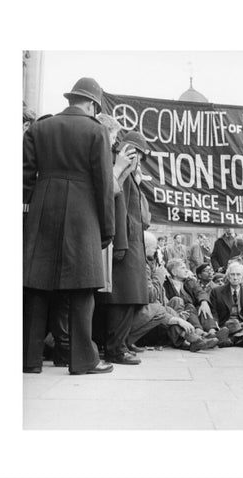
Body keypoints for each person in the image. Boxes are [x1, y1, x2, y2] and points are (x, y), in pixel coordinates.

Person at [23, 77, 114, 374]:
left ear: (71, 99)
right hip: (82, 214)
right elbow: (103, 184)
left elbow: (24, 179)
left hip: (42, 210)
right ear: (92, 104)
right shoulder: (97, 131)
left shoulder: (39, 128)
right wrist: (107, 227)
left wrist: (28, 214)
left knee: (37, 286)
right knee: (82, 290)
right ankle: (83, 360)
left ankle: (29, 359)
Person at [96, 131, 151, 365]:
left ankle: (119, 345)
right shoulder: (122, 175)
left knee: (128, 298)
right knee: (123, 299)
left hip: (131, 244)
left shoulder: (129, 177)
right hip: (125, 244)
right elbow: (118, 211)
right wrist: (120, 244)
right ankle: (116, 349)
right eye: (137, 153)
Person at [127, 232, 219, 352]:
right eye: (155, 248)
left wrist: (202, 302)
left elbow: (198, 292)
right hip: (146, 316)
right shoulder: (154, 272)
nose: (157, 251)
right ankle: (192, 339)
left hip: (183, 313)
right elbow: (152, 297)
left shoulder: (189, 281)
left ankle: (196, 337)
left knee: (176, 307)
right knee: (165, 307)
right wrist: (177, 319)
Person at [163, 259, 217, 340]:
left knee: (202, 307)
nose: (186, 270)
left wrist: (204, 302)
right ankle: (199, 332)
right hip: (178, 312)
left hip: (192, 311)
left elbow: (200, 292)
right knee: (189, 306)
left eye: (186, 268)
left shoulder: (190, 281)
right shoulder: (166, 284)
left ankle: (212, 332)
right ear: (174, 272)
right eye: (182, 268)